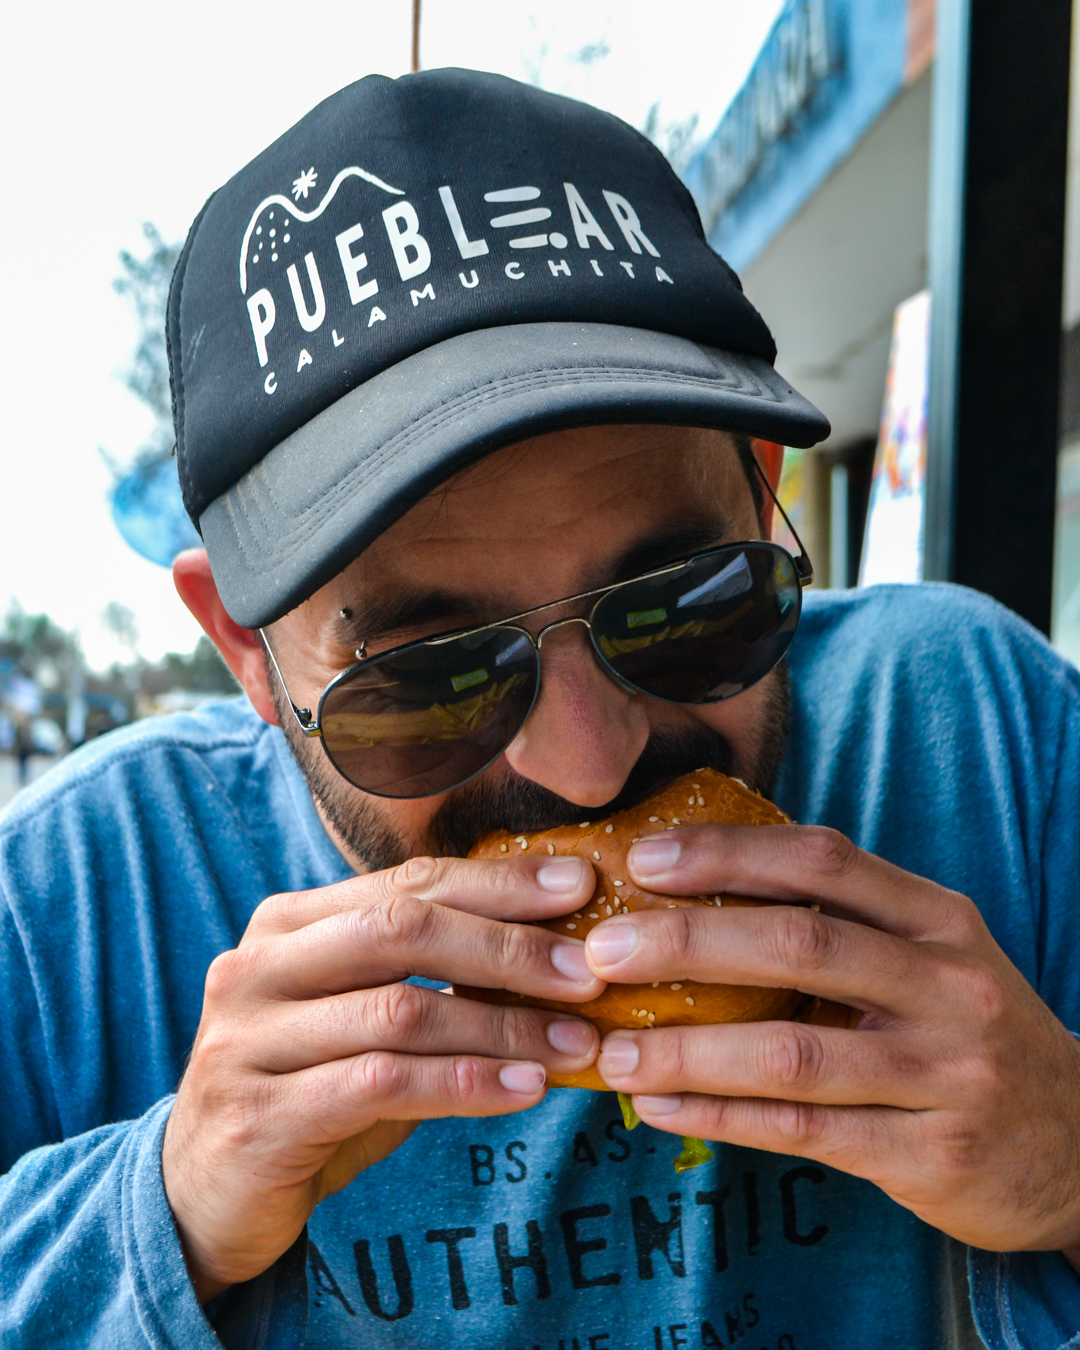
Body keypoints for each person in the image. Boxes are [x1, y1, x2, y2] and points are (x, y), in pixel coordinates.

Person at [1, 69, 1078, 1350]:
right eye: (432, 678)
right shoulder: (69, 908)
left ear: (763, 492)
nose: (587, 762)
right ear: (248, 651)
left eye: (684, 603)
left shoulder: (979, 735)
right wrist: (156, 1218)